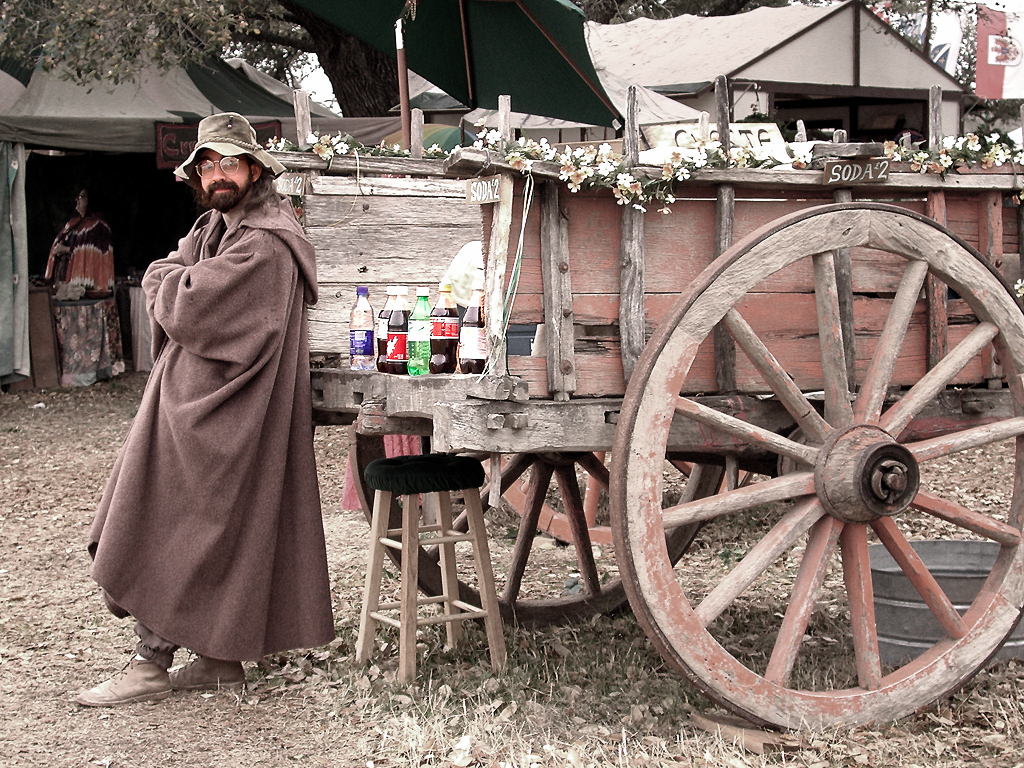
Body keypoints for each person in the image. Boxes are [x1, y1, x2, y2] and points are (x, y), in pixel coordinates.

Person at [75, 112, 335, 706]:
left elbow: (186, 302)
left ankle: (151, 661)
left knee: (178, 521)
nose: (218, 174)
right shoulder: (217, 225)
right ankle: (219, 659)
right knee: (203, 524)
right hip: (198, 404)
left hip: (231, 414)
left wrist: (172, 279)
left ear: (253, 169)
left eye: (229, 162)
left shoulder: (267, 243)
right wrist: (174, 274)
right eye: (208, 164)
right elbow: (168, 268)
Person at [45, 188, 115, 295]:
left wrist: (66, 249)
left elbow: (92, 255)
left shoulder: (99, 226)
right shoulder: (73, 224)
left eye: (81, 196)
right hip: (64, 283)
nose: (77, 200)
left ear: (90, 200)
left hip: (86, 287)